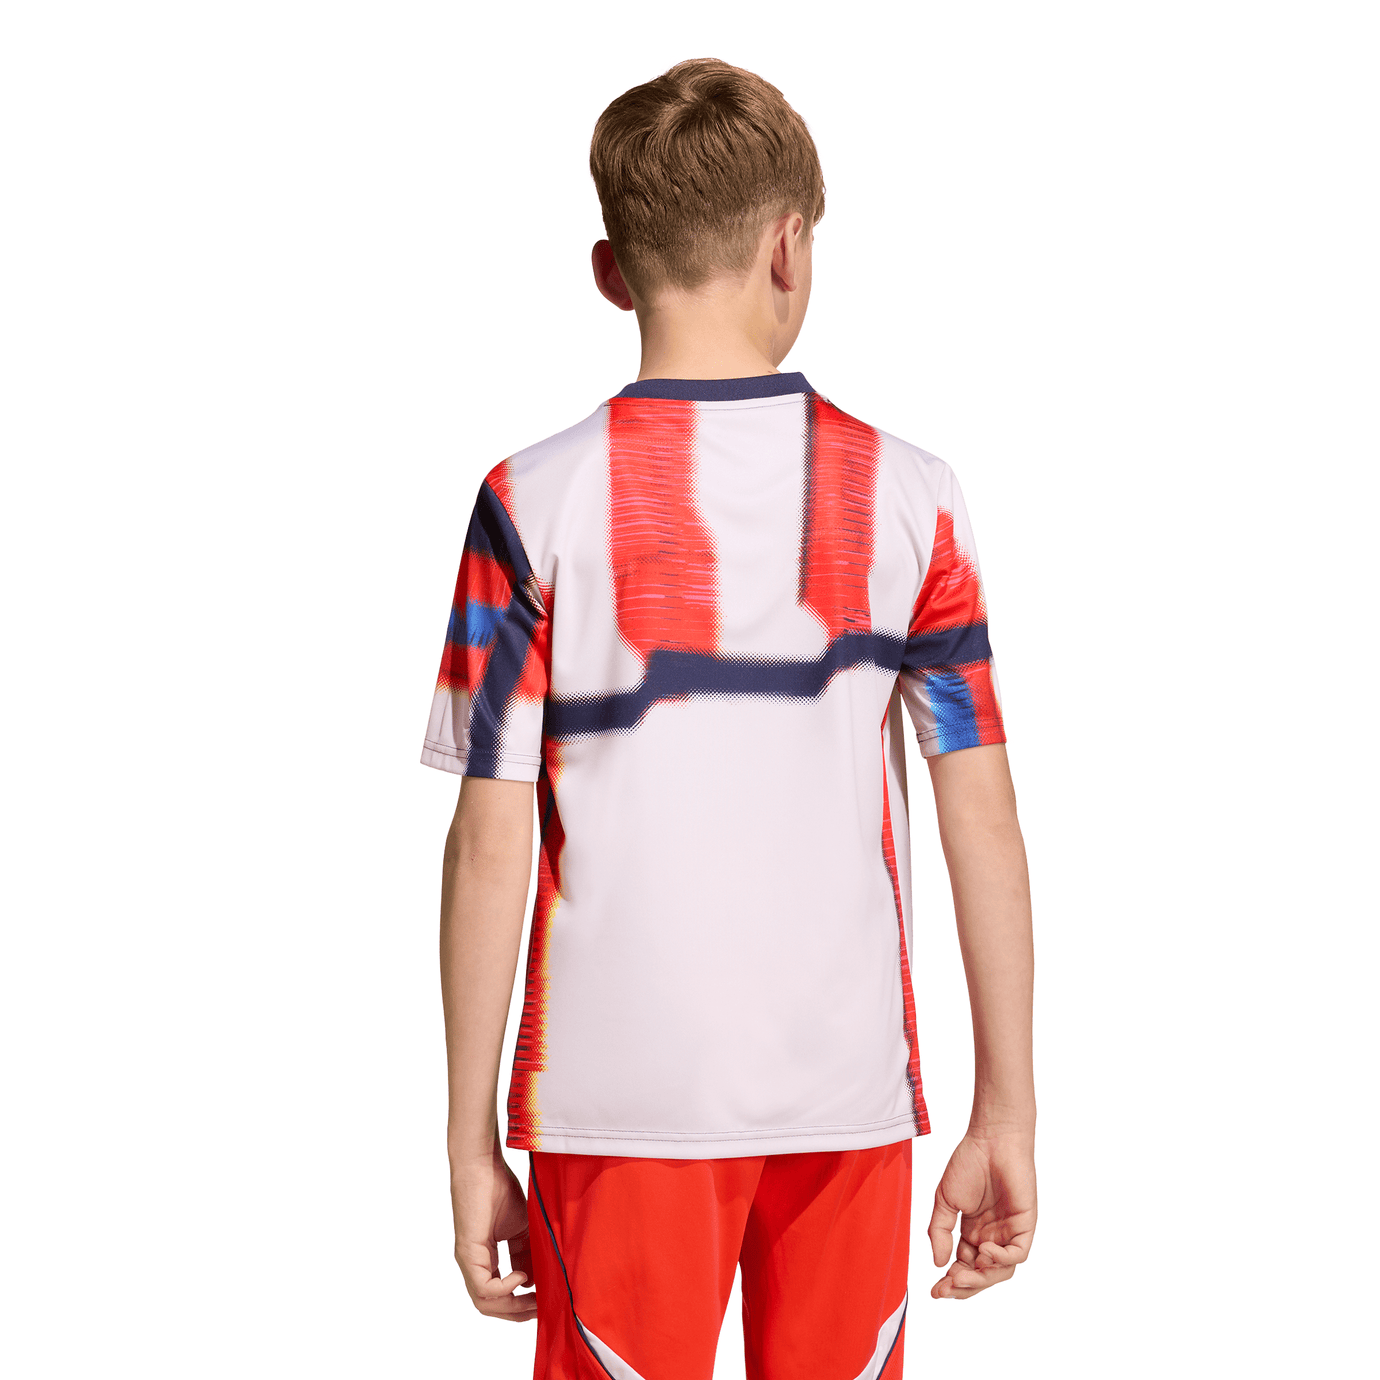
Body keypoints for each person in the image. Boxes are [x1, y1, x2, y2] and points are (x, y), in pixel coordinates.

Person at [421, 57, 1036, 1380]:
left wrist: (469, 1139)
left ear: (611, 271)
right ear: (790, 248)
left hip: (612, 1096)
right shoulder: (916, 498)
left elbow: (487, 843)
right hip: (844, 1090)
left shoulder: (526, 501)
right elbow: (981, 816)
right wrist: (1007, 1108)